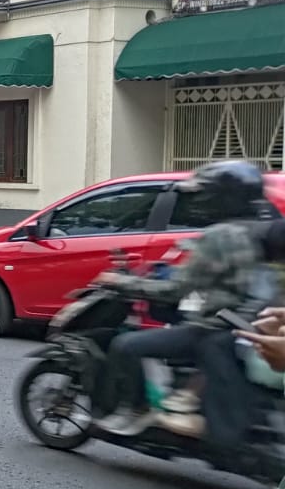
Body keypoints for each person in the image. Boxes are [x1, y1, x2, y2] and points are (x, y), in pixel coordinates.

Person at [96, 160, 274, 446]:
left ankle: (133, 410)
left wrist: (121, 282)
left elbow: (175, 290)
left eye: (206, 194)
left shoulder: (220, 237)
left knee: (127, 345)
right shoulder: (259, 230)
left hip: (215, 327)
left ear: (222, 197)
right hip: (249, 324)